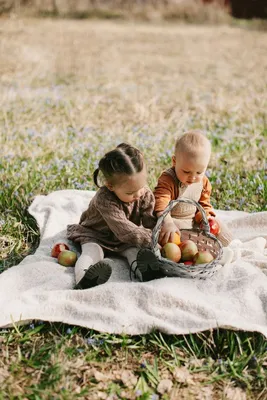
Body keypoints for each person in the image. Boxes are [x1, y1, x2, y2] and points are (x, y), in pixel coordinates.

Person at [67, 143, 165, 290]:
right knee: (93, 251)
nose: (138, 194)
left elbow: (150, 220)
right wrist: (151, 240)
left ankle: (146, 273)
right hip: (97, 234)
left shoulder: (143, 193)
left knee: (135, 252)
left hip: (124, 239)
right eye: (130, 193)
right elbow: (125, 230)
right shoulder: (104, 200)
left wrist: (161, 234)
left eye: (141, 186)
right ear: (110, 186)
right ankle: (84, 278)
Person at [154, 130, 233, 247]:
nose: (193, 177)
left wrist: (206, 219)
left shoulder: (203, 182)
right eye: (186, 171)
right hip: (172, 220)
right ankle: (202, 249)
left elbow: (204, 204)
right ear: (174, 162)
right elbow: (160, 204)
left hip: (192, 221)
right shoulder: (168, 180)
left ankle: (227, 248)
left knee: (223, 232)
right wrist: (168, 222)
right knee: (174, 236)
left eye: (199, 172)